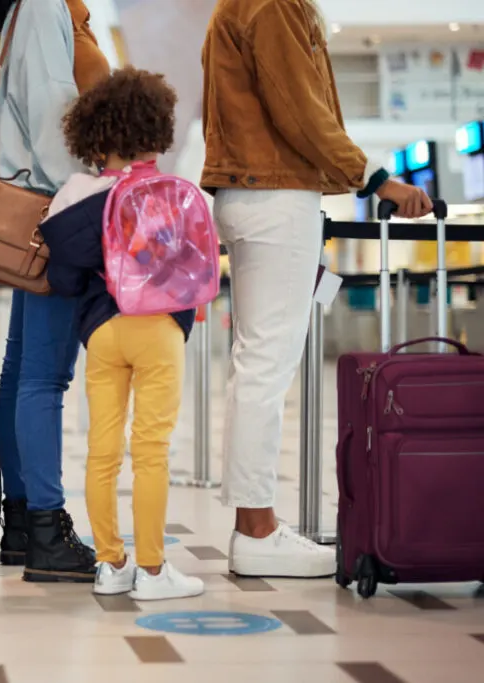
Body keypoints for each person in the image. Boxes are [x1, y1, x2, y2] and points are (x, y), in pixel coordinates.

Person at [202, 0, 434, 578]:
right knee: (265, 365)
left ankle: (255, 524)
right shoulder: (274, 4)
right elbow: (300, 109)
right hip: (274, 195)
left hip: (253, 193)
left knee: (255, 363)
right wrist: (376, 179)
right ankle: (256, 530)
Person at [39, 67, 205, 600]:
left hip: (103, 332)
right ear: (155, 129)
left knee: (102, 450)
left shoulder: (74, 193)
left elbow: (61, 278)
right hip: (159, 331)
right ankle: (154, 573)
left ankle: (111, 566)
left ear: (92, 133)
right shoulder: (173, 192)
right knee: (151, 449)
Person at [0, 0, 110, 584]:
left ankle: (26, 522)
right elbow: (57, 117)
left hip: (45, 202)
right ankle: (46, 527)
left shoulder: (39, 8)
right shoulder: (44, 6)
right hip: (58, 208)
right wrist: (87, 201)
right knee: (43, 377)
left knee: (23, 371)